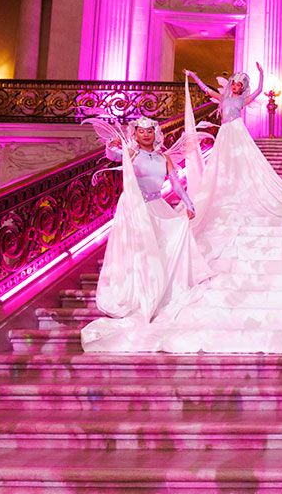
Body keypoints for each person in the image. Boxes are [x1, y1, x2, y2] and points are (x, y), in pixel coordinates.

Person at [80, 116, 207, 343]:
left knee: (163, 246)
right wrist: (113, 146)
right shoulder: (132, 154)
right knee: (139, 253)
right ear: (135, 134)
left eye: (149, 131)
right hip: (134, 208)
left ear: (156, 133)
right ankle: (139, 295)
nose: (146, 134)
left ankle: (158, 291)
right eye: (141, 131)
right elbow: (112, 155)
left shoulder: (164, 157)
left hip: (157, 206)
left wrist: (188, 202)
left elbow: (176, 183)